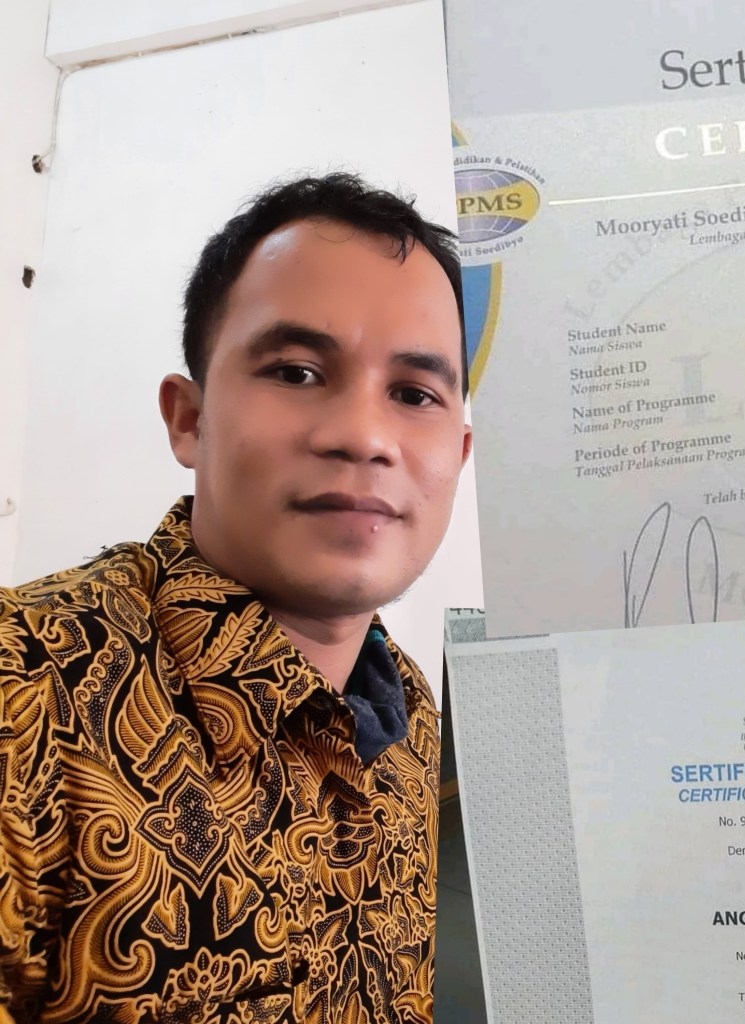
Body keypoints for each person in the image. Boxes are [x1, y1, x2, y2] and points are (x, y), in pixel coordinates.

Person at [0, 173, 471, 1023]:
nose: (364, 436)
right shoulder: (23, 690)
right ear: (189, 418)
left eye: (413, 395)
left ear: (459, 454)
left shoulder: (411, 721)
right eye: (296, 371)